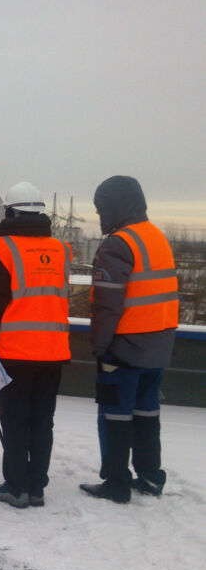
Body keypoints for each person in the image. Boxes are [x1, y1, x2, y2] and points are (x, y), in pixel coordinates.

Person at [80, 176, 179, 504]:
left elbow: (107, 305)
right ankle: (150, 476)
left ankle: (116, 483)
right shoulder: (156, 237)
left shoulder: (118, 244)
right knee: (147, 412)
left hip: (124, 348)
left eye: (102, 209)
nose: (100, 216)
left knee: (114, 414)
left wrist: (99, 346)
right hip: (159, 346)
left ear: (117, 206)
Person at [0, 182, 72, 508]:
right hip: (54, 350)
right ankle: (36, 487)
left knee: (16, 420)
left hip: (16, 351)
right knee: (42, 420)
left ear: (10, 212)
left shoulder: (3, 248)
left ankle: (16, 487)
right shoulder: (61, 250)